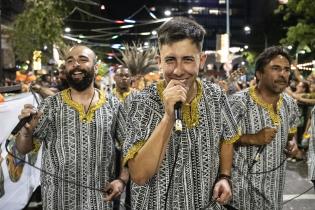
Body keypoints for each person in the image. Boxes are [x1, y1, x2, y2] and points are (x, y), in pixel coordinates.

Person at [123, 16, 240, 209]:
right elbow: (139, 176)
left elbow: (227, 138)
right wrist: (168, 117)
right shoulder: (140, 102)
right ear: (159, 61)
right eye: (170, 60)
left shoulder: (216, 95)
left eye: (187, 60)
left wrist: (224, 176)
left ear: (201, 60)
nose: (178, 70)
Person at [13, 45, 128, 209]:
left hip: (100, 201)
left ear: (95, 68)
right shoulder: (50, 105)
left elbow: (129, 148)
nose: (75, 64)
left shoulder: (113, 104)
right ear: (65, 68)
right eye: (70, 61)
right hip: (58, 201)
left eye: (82, 60)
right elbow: (23, 150)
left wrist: (122, 180)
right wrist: (26, 131)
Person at [228, 46, 300, 210]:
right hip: (241, 198)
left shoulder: (289, 104)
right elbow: (220, 139)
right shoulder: (238, 102)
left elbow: (291, 136)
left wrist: (293, 144)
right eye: (275, 68)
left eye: (286, 70)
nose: (283, 74)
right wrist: (252, 138)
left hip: (274, 196)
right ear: (259, 74)